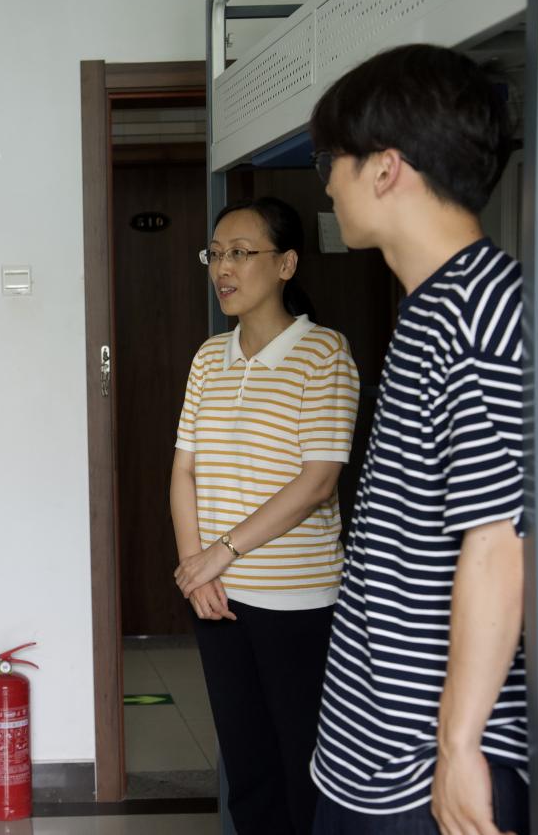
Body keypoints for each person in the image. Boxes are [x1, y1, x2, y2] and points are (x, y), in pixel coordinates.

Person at [305, 44, 527, 835]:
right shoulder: (429, 307)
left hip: (425, 768)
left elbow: (499, 542)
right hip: (373, 744)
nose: (325, 183)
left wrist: (458, 746)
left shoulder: (479, 314)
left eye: (329, 160)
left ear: (385, 167)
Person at [172, 197, 360, 833]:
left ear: (286, 264)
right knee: (248, 771)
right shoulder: (208, 358)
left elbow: (317, 481)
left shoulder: (324, 353)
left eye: (240, 253)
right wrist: (195, 570)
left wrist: (217, 553)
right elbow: (183, 471)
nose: (223, 268)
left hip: (298, 601)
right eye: (215, 254)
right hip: (216, 599)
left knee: (304, 769)